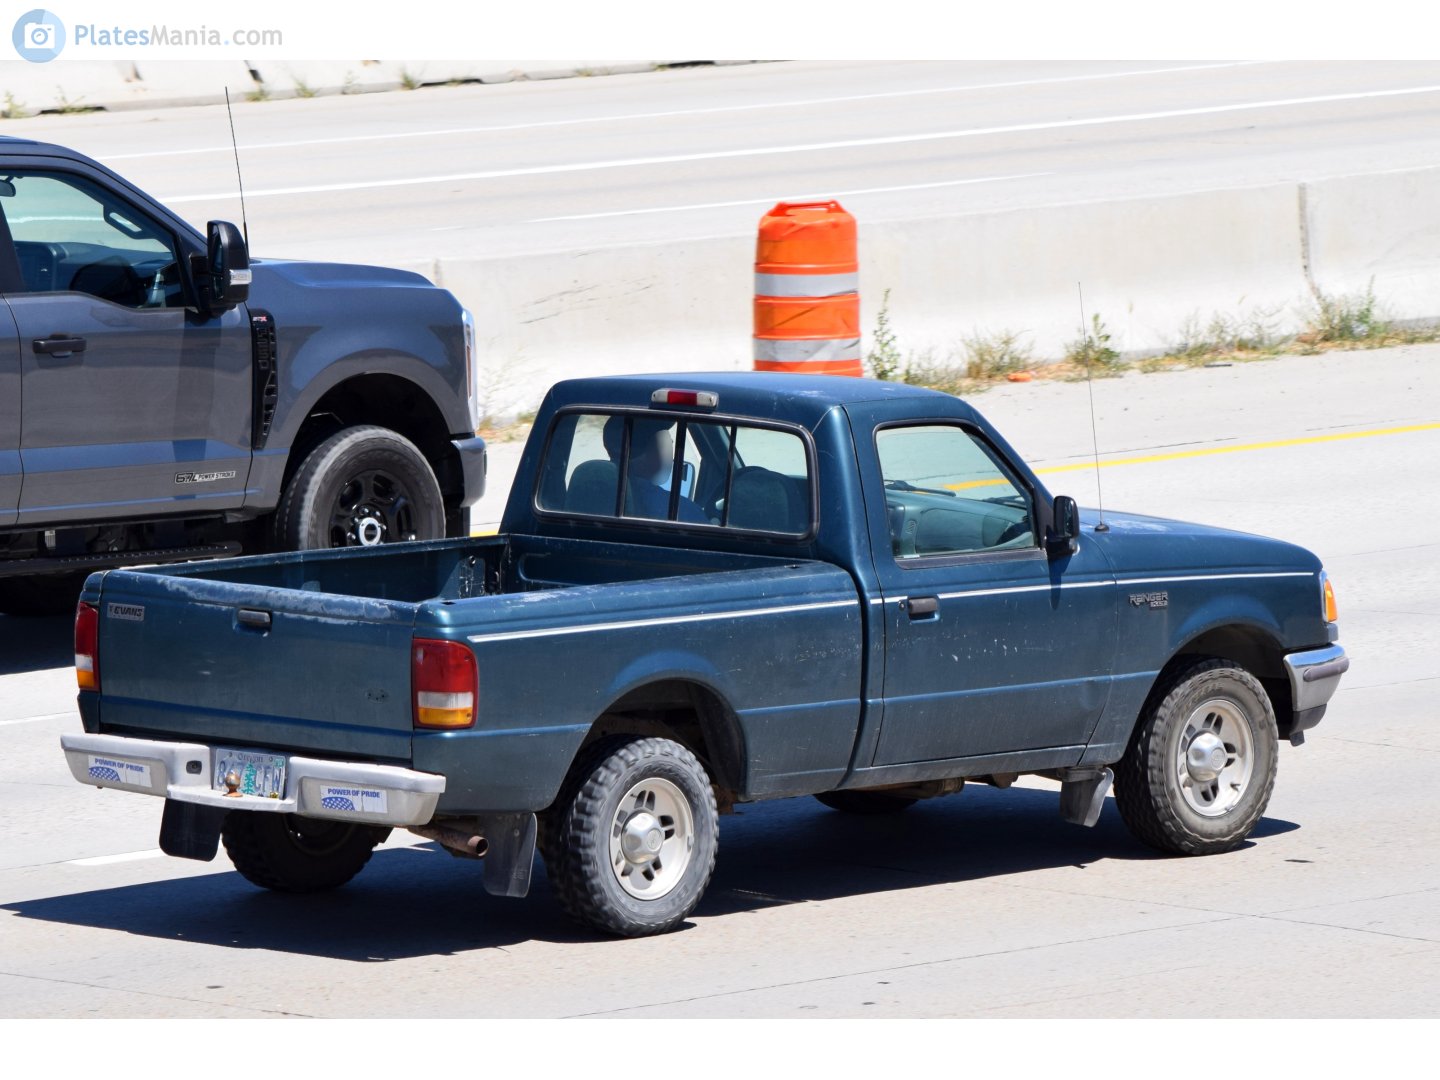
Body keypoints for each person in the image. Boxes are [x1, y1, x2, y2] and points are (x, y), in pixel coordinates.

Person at [602, 415, 708, 524]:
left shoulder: (588, 493)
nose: (671, 442)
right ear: (647, 455)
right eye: (666, 442)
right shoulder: (682, 511)